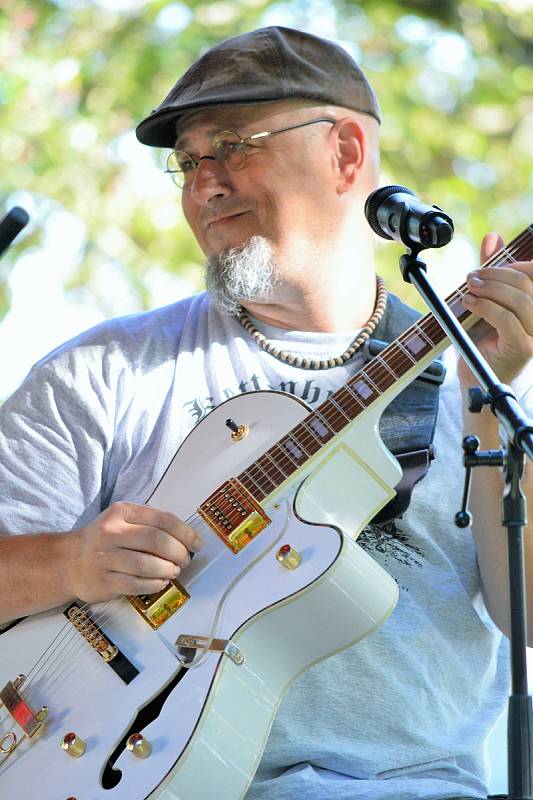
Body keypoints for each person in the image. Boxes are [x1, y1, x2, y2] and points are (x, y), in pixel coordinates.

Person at [0, 24, 531, 800]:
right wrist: (74, 560)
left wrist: (489, 399)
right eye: (187, 162)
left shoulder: (482, 376)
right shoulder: (101, 373)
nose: (202, 184)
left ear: (346, 154)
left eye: (233, 146)